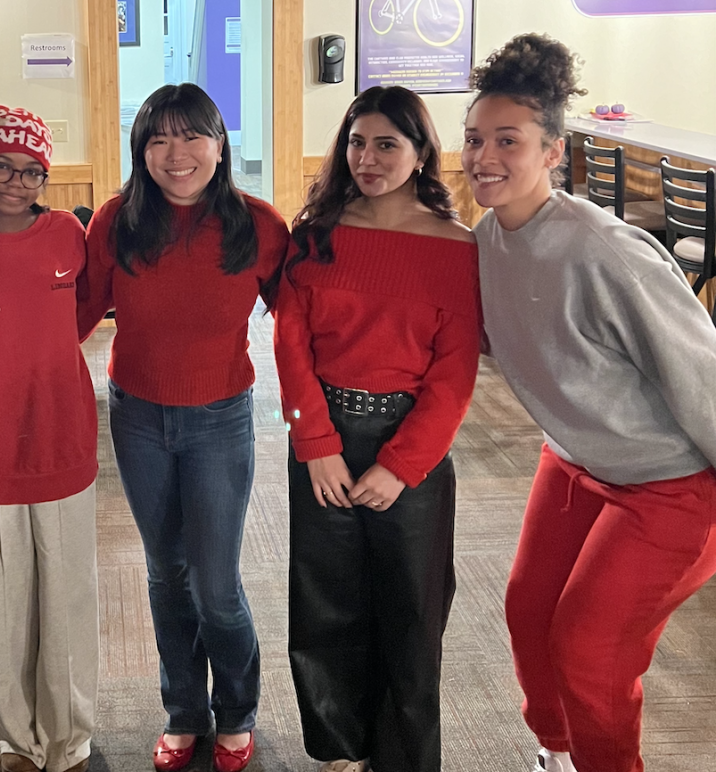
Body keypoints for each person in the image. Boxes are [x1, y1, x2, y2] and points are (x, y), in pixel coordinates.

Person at [463, 33, 716, 772]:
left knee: (589, 644)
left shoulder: (607, 251)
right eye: (475, 138)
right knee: (528, 611)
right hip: (576, 459)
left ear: (552, 151)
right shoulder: (486, 240)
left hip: (671, 481)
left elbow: (701, 370)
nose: (484, 156)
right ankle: (561, 753)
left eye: (508, 140)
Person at [77, 82, 290, 772]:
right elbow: (73, 318)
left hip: (220, 420)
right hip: (137, 416)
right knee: (166, 574)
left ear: (220, 145)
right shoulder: (116, 221)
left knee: (216, 585)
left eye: (191, 135)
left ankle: (237, 710)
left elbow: (307, 323)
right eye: (158, 138)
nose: (176, 153)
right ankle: (184, 712)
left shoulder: (257, 225)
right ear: (140, 149)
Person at [273, 86, 479, 772]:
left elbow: (453, 376)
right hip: (325, 438)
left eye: (387, 144)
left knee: (412, 613)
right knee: (326, 602)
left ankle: (403, 757)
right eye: (356, 142)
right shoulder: (316, 234)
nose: (367, 157)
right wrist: (316, 446)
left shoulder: (456, 247)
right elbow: (290, 347)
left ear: (421, 154)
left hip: (410, 449)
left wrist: (402, 465)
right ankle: (339, 751)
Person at [0, 104, 99, 772]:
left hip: (64, 435)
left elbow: (85, 312)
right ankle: (14, 738)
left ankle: (70, 735)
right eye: (0, 166)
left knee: (68, 591)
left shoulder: (69, 235)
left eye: (31, 171)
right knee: (1, 595)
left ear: (45, 177)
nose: (14, 181)